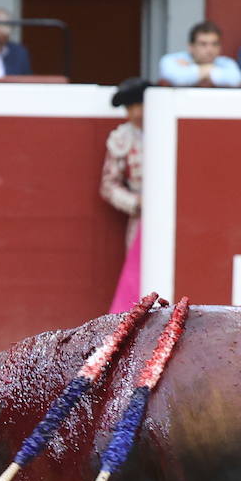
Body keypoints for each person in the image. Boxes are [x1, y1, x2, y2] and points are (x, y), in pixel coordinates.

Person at [102, 78, 147, 315]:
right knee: (138, 275)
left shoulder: (170, 128)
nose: (136, 113)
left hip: (175, 215)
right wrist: (135, 203)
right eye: (130, 107)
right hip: (141, 217)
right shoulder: (122, 138)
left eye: (140, 105)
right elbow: (108, 185)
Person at [159, 20, 241, 87]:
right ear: (191, 47)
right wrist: (210, 69)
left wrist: (191, 69)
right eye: (203, 44)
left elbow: (236, 80)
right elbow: (177, 78)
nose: (210, 50)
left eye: (214, 44)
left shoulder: (226, 62)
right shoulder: (172, 60)